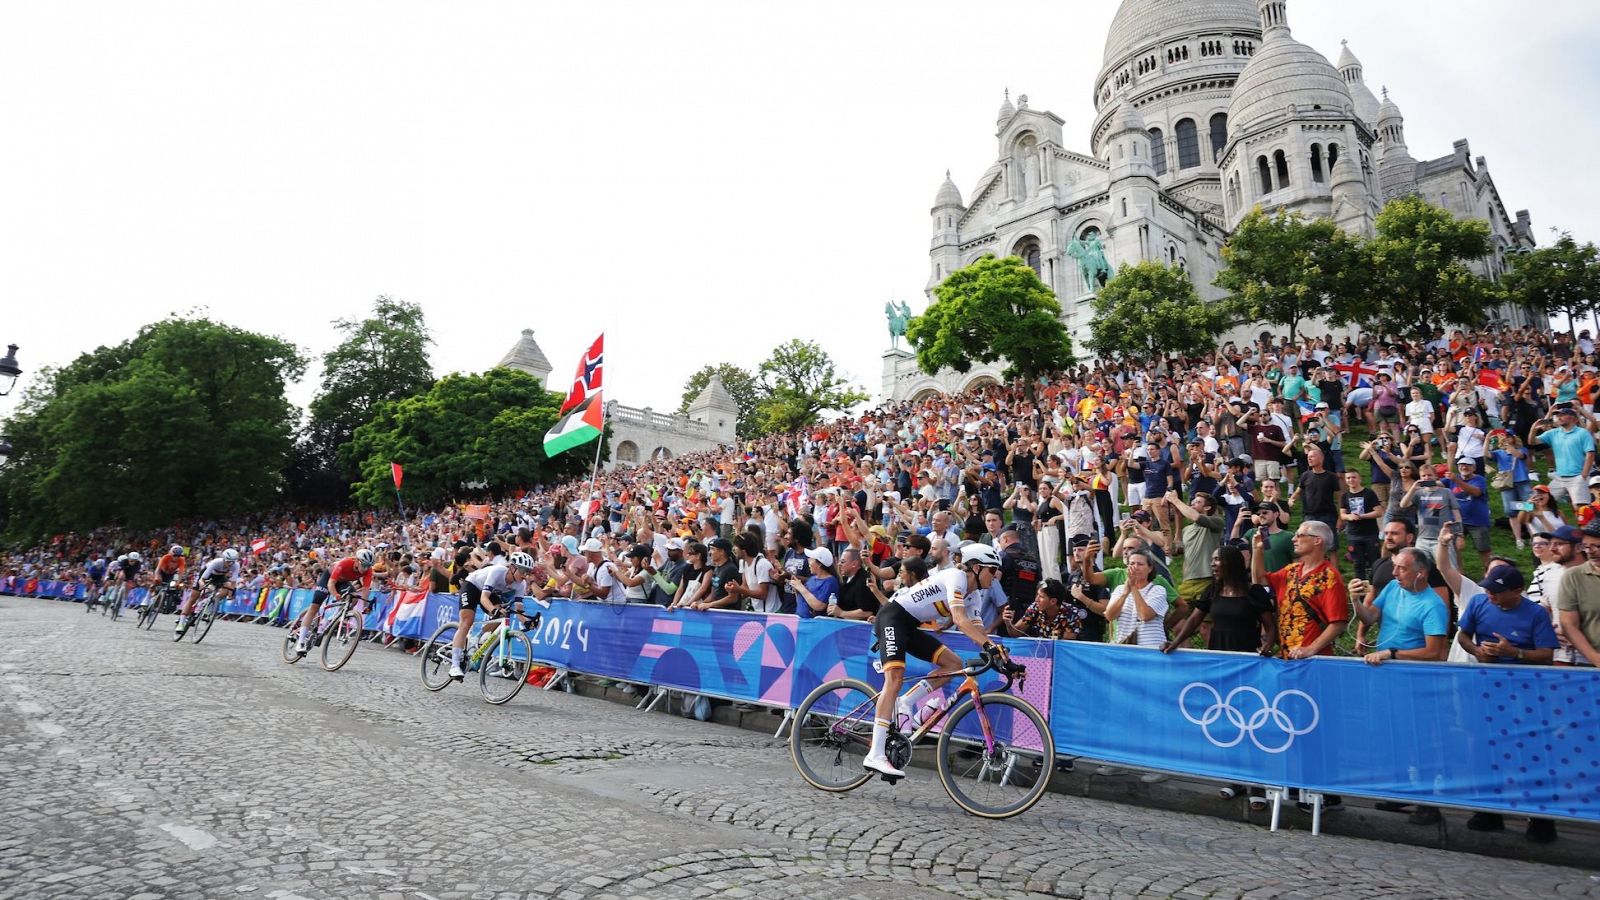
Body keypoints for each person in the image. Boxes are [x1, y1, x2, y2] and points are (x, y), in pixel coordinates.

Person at [863, 544, 1006, 779]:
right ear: (977, 567)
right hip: (892, 617)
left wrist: (997, 653)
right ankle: (875, 754)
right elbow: (959, 620)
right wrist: (989, 646)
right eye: (992, 570)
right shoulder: (955, 577)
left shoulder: (974, 597)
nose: (996, 576)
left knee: (954, 665)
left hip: (909, 626)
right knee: (895, 679)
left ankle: (907, 702)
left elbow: (979, 632)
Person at [1252, 520, 1348, 659]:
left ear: (1317, 540)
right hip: (1288, 657)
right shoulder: (1292, 570)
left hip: (1312, 660)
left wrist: (1310, 649)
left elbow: (1338, 623)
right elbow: (1259, 580)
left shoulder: (1329, 576)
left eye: (1300, 535)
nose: (1293, 539)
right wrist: (1257, 549)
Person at [1163, 546, 1273, 654]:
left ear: (1232, 562)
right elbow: (1193, 620)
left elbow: (1270, 627)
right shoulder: (1212, 591)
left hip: (1246, 657)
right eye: (1212, 560)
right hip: (1218, 654)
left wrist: (1267, 646)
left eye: (1217, 559)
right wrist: (1175, 643)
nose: (1212, 564)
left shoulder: (1255, 592)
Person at [449, 551, 539, 680]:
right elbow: (483, 598)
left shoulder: (521, 584)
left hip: (489, 593)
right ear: (512, 568)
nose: (525, 575)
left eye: (528, 572)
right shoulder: (498, 571)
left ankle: (477, 637)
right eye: (523, 570)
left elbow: (519, 609)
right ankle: (454, 665)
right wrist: (493, 610)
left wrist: (526, 621)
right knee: (466, 622)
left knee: (503, 615)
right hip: (472, 586)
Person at [292, 548, 374, 658]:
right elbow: (331, 584)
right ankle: (300, 642)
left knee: (354, 598)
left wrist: (365, 606)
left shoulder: (368, 571)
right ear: (357, 560)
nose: (365, 569)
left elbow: (366, 589)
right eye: (364, 565)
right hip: (328, 579)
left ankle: (339, 617)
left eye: (368, 566)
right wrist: (336, 595)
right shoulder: (344, 563)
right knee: (314, 607)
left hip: (343, 582)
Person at [1165, 491, 1223, 631]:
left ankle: (1211, 652)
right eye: (1192, 502)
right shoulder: (1187, 530)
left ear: (1207, 508)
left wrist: (1175, 500)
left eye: (1197, 502)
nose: (1192, 504)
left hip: (1207, 580)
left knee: (1206, 627)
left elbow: (1196, 517)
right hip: (1187, 581)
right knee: (1177, 624)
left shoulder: (1216, 522)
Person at [1532, 405, 1596, 512]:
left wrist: (1583, 475)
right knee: (1542, 502)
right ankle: (1547, 525)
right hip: (1559, 477)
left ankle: (1587, 528)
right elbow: (1532, 442)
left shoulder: (1583, 433)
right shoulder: (1554, 433)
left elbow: (1590, 454)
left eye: (1562, 415)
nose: (1559, 417)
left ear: (1572, 418)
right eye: (1557, 416)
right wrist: (1533, 429)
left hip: (1577, 477)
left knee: (1581, 509)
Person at [1556, 524, 1600, 668]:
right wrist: (1596, 659)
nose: (1590, 552)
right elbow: (1569, 624)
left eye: (1597, 546)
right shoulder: (1573, 577)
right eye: (1586, 546)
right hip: (1589, 662)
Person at [1104, 549, 1168, 648]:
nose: (1135, 567)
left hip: (1151, 649)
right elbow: (1109, 616)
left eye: (1140, 564)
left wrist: (1133, 587)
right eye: (1132, 563)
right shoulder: (1120, 590)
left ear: (1150, 568)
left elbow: (1144, 615)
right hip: (1126, 648)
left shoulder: (1158, 590)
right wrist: (1125, 594)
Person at [1443, 457, 1492, 574]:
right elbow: (1437, 484)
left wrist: (1456, 481)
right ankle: (1460, 572)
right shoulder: (1451, 479)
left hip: (1477, 521)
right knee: (1454, 547)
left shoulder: (1479, 479)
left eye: (1468, 465)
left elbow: (1476, 492)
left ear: (1474, 468)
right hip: (1457, 520)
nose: (1464, 467)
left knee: (1483, 549)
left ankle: (1489, 572)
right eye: (1461, 465)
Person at [178, 548, 240, 635]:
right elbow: (202, 580)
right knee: (193, 597)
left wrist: (230, 594)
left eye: (232, 562)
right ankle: (181, 622)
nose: (230, 564)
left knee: (228, 587)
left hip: (220, 576)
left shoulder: (236, 565)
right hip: (207, 575)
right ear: (223, 559)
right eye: (228, 561)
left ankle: (210, 604)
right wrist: (203, 586)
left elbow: (233, 582)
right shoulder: (216, 562)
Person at [1001, 578, 1083, 640]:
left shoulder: (1071, 613)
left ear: (1053, 601)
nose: (1036, 600)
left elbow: (1067, 643)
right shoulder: (1034, 608)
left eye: (1041, 597)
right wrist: (1008, 624)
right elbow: (1016, 634)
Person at [1339, 470, 1382, 581]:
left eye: (1354, 477)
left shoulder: (1369, 493)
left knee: (1375, 562)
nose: (1351, 480)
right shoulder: (1345, 496)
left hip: (1370, 533)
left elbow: (1378, 512)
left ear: (1359, 479)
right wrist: (1349, 517)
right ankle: (1360, 590)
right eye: (1348, 478)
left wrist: (1362, 516)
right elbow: (1342, 515)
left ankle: (1375, 586)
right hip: (1354, 535)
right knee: (1358, 564)